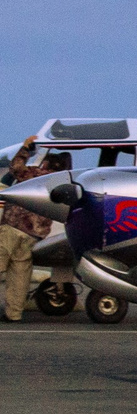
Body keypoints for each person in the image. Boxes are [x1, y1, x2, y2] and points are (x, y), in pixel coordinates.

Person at [2, 138, 54, 321]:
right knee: (20, 275)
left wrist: (25, 148)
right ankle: (13, 314)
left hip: (13, 227)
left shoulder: (36, 175)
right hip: (34, 235)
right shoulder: (58, 183)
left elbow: (15, 168)